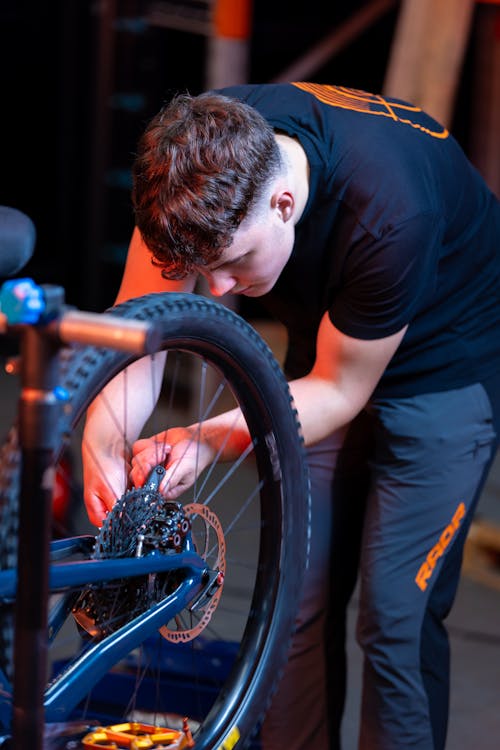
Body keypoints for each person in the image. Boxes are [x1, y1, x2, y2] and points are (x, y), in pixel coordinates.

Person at [82, 83, 500, 749]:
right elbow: (140, 335)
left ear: (282, 204)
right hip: (335, 336)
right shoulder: (187, 175)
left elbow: (336, 391)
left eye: (231, 267)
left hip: (446, 364)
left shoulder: (390, 213)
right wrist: (102, 441)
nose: (216, 292)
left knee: (396, 617)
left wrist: (209, 437)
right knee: (291, 601)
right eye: (199, 269)